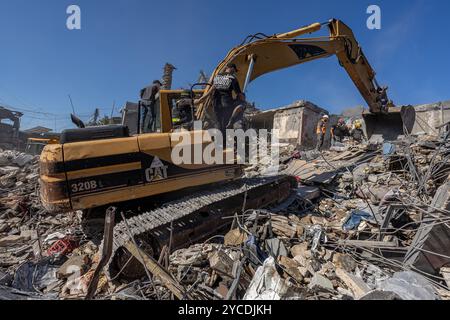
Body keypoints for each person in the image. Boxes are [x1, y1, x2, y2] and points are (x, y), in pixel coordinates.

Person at [212, 63, 245, 132]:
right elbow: (238, 93)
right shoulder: (232, 78)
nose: (234, 71)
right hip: (226, 102)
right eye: (234, 69)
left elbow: (213, 89)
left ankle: (218, 140)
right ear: (229, 67)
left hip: (216, 103)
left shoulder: (217, 76)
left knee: (219, 123)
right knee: (225, 124)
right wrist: (242, 100)